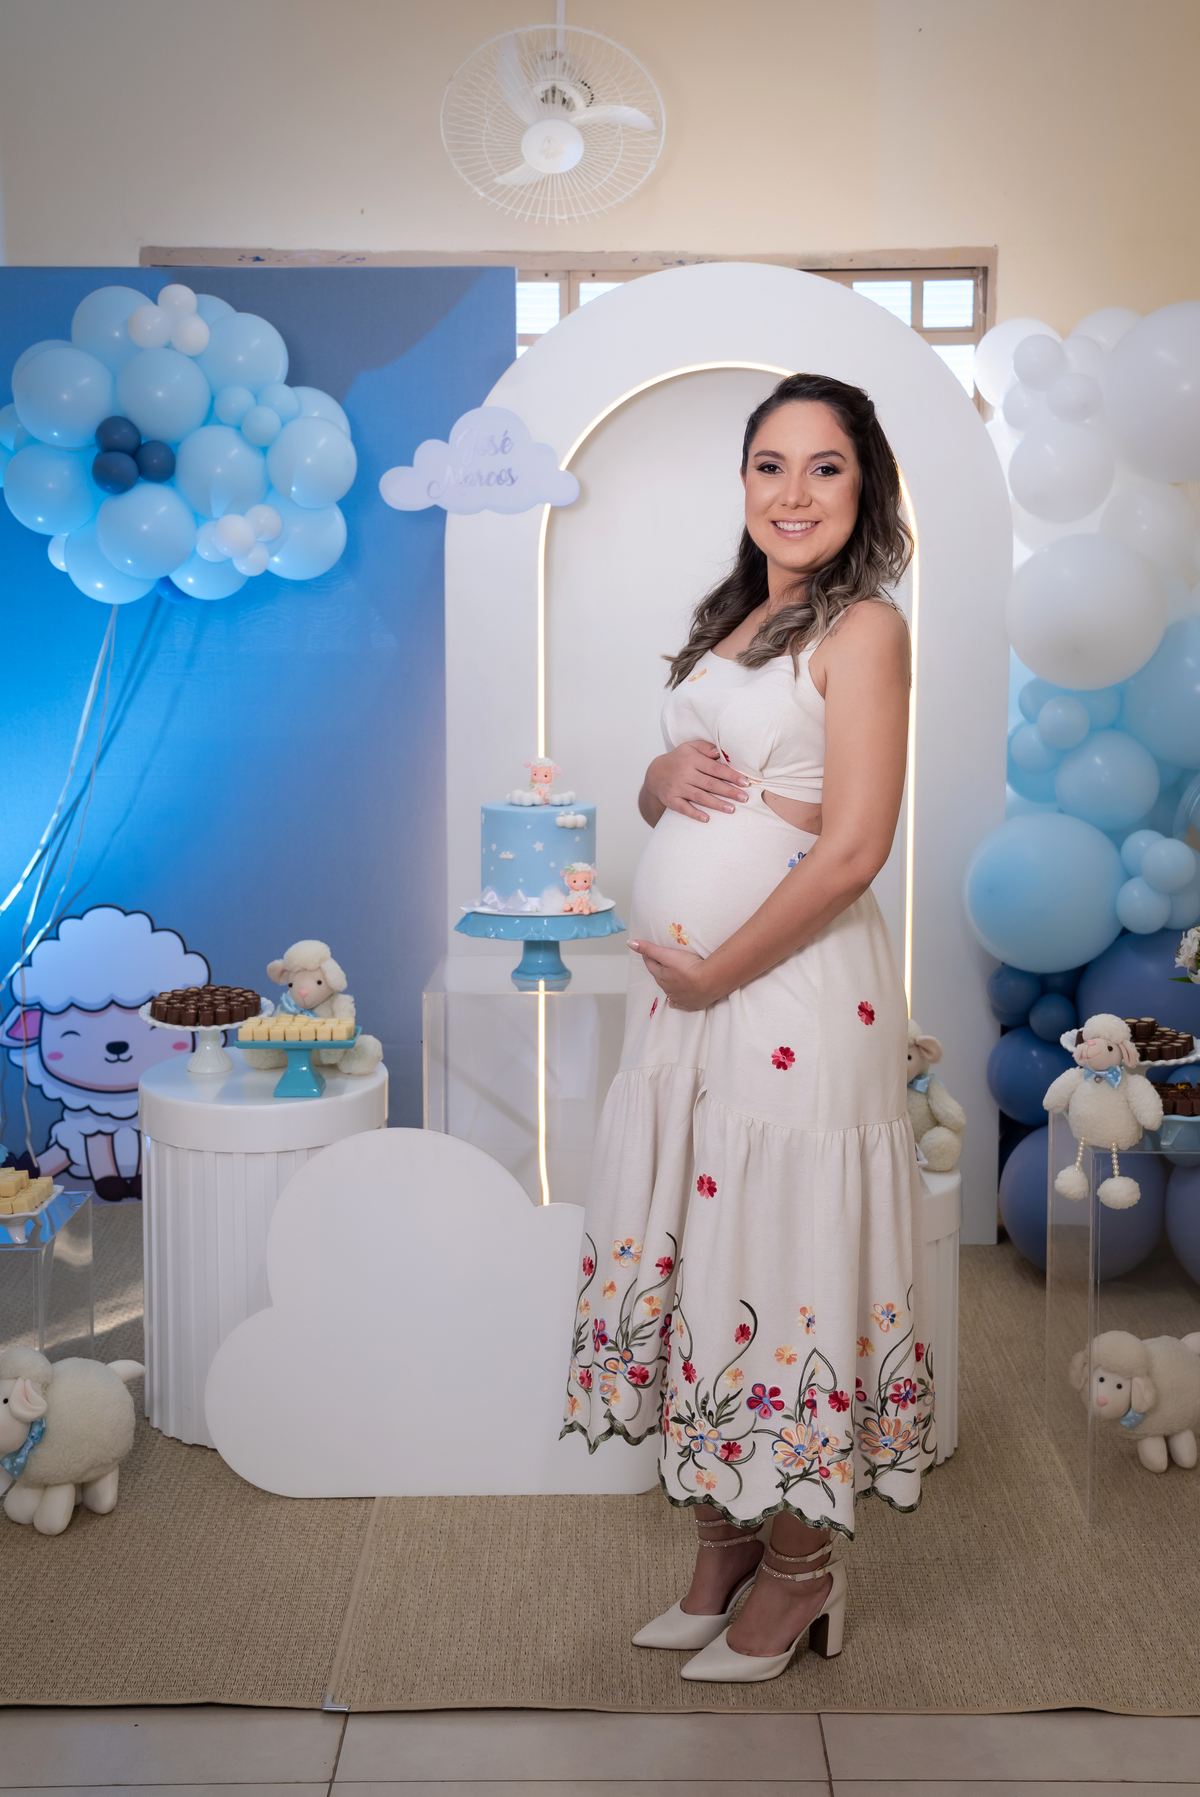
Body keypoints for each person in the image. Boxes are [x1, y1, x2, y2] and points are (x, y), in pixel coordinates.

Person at [562, 372, 934, 1683]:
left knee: (777, 1258)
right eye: (770, 464)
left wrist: (716, 972)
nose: (793, 492)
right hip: (691, 1007)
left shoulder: (867, 627)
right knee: (695, 1250)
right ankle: (721, 1546)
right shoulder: (736, 618)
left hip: (784, 997)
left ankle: (801, 1570)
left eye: (825, 467)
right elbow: (692, 788)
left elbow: (854, 849)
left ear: (865, 487)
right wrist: (655, 778)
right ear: (742, 484)